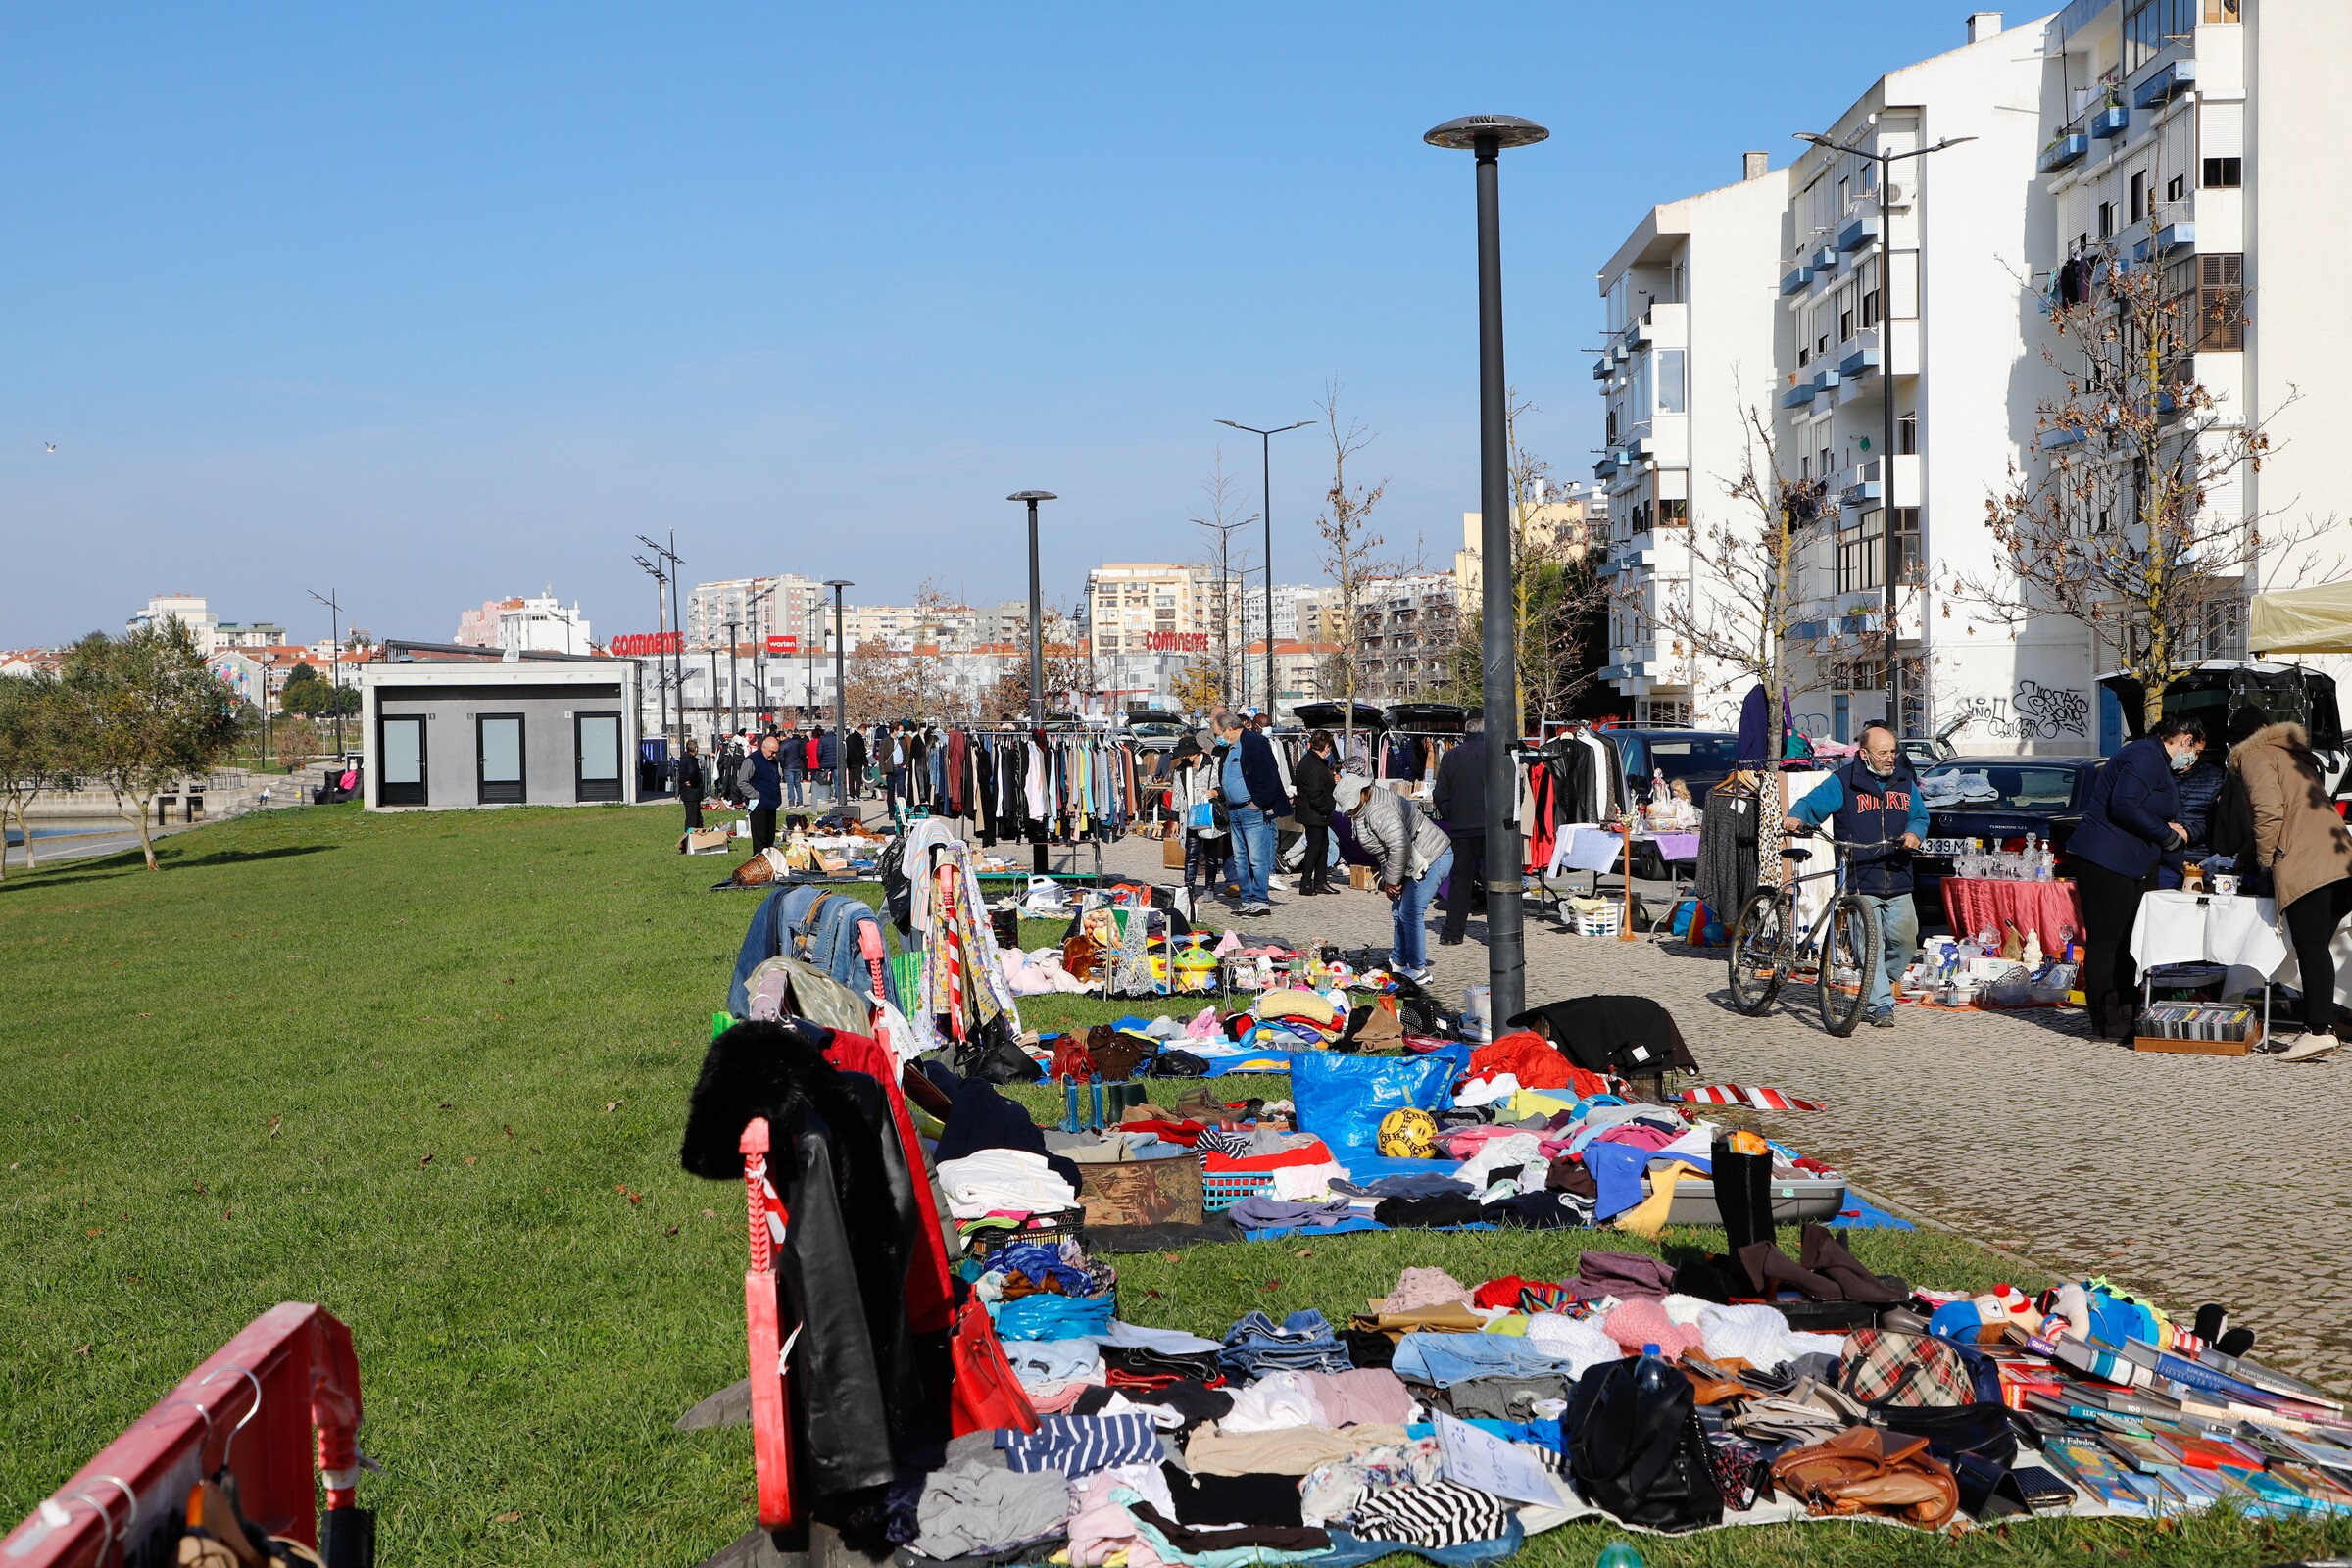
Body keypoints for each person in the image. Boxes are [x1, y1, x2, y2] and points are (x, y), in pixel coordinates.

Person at [1783, 720, 1925, 1029]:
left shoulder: (1904, 779)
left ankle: (1879, 982)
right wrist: (1797, 815)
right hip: (1860, 877)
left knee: (1906, 940)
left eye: (1893, 751)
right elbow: (1812, 803)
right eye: (1883, 752)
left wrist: (1915, 832)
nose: (1891, 757)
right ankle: (1880, 1004)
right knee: (1866, 944)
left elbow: (1919, 816)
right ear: (1864, 754)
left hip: (1898, 873)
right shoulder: (1843, 781)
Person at [2068, 714, 2201, 1039]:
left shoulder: (2155, 760)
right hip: (2106, 859)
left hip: (2130, 862)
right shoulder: (2145, 755)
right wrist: (2167, 835)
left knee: (2128, 941)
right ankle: (2106, 1019)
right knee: (2107, 941)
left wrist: (2181, 858)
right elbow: (2125, 804)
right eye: (2196, 749)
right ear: (2185, 738)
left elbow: (2151, 815)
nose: (2194, 758)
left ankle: (2125, 1015)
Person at [2230, 715, 2352, 1058]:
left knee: (2311, 947)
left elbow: (2269, 812)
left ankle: (2318, 1030)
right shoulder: (2291, 754)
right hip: (2338, 858)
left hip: (2308, 862)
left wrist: (2265, 860)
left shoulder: (2255, 756)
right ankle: (2321, 1023)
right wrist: (2247, 853)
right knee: (2317, 947)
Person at [1335, 769, 1453, 983]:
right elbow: (1385, 848)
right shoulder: (1368, 807)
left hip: (1431, 856)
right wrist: (1390, 878)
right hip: (1416, 859)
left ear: (1359, 796)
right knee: (1399, 910)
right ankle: (1399, 961)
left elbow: (1399, 846)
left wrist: (1391, 881)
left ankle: (1418, 969)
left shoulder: (1377, 810)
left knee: (1410, 912)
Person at [1216, 710, 1291, 915]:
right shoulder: (1230, 748)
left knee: (1257, 857)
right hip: (1234, 810)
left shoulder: (1255, 743)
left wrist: (1258, 802)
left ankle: (1260, 900)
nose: (1218, 737)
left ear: (1230, 729)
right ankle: (1247, 899)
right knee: (1241, 858)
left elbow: (1269, 775)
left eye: (1218, 733)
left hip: (1252, 810)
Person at [1431, 712, 1488, 944]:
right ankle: (1500, 934)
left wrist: (1452, 816)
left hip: (1463, 827)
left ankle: (1453, 933)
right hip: (1492, 828)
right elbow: (1515, 792)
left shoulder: (1452, 757)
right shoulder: (1496, 754)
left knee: (1461, 881)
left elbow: (1439, 794)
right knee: (1495, 881)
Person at [1170, 730, 1229, 905]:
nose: (1184, 758)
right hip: (1189, 816)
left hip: (1209, 816)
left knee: (1211, 853)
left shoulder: (1215, 763)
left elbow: (1226, 784)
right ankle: (1189, 887)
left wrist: (1216, 792)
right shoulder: (1181, 769)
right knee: (1191, 853)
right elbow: (1177, 794)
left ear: (1195, 753)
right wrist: (1173, 819)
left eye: (1186, 755)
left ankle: (1209, 886)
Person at [1292, 729, 1338, 895]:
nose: (1329, 750)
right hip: (1315, 814)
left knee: (1322, 846)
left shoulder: (1311, 760)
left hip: (1314, 813)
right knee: (1315, 847)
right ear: (1325, 746)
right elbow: (1316, 796)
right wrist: (1327, 809)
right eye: (1329, 747)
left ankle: (1320, 880)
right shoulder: (1315, 765)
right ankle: (1307, 882)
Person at [740, 732, 783, 854]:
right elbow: (742, 782)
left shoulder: (772, 760)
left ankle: (768, 865)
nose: (774, 755)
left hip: (772, 804)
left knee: (770, 839)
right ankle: (758, 866)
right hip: (758, 806)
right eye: (772, 752)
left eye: (776, 752)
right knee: (760, 841)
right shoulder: (751, 761)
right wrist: (755, 795)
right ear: (763, 748)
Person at [680, 737, 707, 831]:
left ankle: (697, 838)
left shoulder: (684, 759)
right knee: (692, 820)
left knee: (697, 818)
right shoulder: (690, 760)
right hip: (692, 794)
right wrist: (693, 782)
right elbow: (692, 773)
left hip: (689, 794)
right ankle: (689, 840)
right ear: (695, 749)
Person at [780, 722, 806, 808]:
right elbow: (801, 753)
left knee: (790, 785)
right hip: (797, 765)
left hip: (788, 766)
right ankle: (800, 801)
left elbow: (782, 758)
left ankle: (791, 802)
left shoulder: (783, 745)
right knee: (798, 784)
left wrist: (783, 766)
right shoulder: (796, 743)